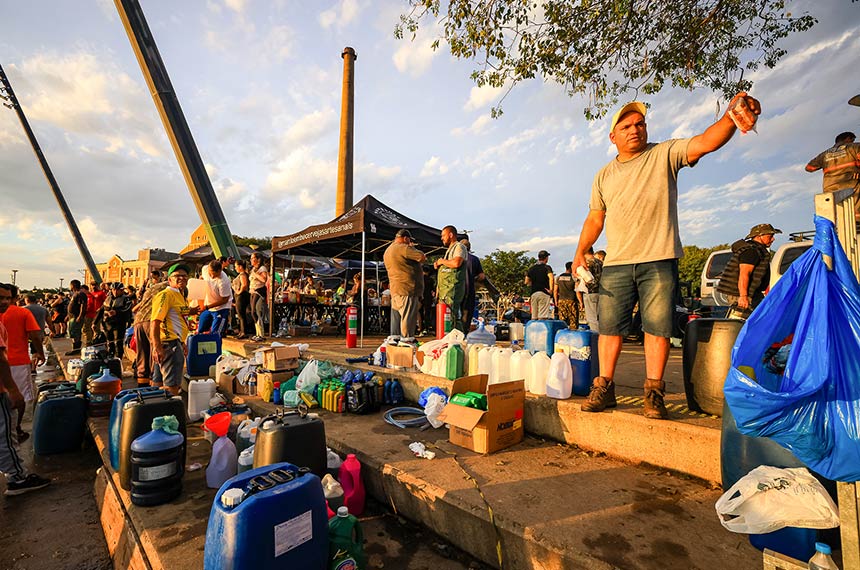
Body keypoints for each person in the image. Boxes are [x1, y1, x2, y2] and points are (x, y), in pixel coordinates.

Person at [573, 93, 761, 420]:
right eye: (627, 126)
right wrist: (580, 252)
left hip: (659, 259)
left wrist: (732, 117)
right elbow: (595, 218)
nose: (636, 129)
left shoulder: (664, 153)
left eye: (640, 124)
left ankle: (654, 392)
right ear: (613, 136)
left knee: (657, 329)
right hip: (616, 263)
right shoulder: (603, 175)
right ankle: (604, 387)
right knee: (609, 330)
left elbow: (705, 142)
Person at [0, 319, 51, 496]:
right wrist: (12, 389)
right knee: (5, 435)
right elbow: (0, 358)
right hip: (7, 379)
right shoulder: (19, 314)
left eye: (7, 298)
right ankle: (18, 478)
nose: (4, 302)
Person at [0, 284, 45, 442]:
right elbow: (34, 335)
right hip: (18, 362)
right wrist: (40, 352)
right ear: (16, 298)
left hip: (6, 362)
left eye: (6, 298)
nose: (5, 301)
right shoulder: (22, 312)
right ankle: (16, 428)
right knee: (19, 398)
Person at [150, 264, 198, 395]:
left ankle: (157, 409)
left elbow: (179, 318)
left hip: (174, 342)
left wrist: (182, 342)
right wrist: (156, 346)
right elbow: (155, 321)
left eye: (184, 276)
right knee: (172, 386)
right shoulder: (166, 295)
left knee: (159, 382)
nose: (181, 278)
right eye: (177, 276)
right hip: (168, 345)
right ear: (169, 280)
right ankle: (169, 412)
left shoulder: (180, 296)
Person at [716, 223, 781, 319]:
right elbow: (744, 274)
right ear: (759, 236)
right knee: (741, 323)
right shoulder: (751, 251)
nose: (773, 239)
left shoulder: (757, 250)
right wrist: (743, 296)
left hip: (751, 293)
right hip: (740, 294)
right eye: (770, 236)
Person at [383, 229, 427, 338]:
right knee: (408, 318)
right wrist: (412, 247)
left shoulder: (388, 250)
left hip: (395, 290)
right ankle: (407, 341)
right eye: (409, 240)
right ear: (406, 238)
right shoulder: (404, 248)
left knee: (396, 322)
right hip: (407, 289)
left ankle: (395, 342)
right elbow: (422, 257)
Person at [806, 132, 860, 217]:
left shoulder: (825, 154)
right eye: (852, 140)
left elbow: (809, 168)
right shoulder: (854, 147)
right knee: (854, 215)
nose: (853, 142)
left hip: (830, 188)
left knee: (835, 216)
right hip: (852, 185)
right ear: (848, 139)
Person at [130, 275, 169, 388]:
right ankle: (154, 388)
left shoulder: (151, 289)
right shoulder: (171, 289)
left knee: (142, 355)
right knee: (155, 355)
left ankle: (142, 387)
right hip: (151, 322)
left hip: (139, 321)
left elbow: (136, 308)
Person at [434, 225, 468, 333]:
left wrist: (442, 261)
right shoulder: (449, 250)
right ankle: (449, 342)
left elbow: (456, 263)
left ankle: (457, 343)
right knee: (446, 319)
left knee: (452, 318)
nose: (441, 238)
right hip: (445, 291)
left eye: (443, 235)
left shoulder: (459, 247)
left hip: (453, 289)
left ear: (451, 235)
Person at [199, 259, 233, 335]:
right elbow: (203, 278)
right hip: (208, 305)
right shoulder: (205, 269)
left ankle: (217, 343)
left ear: (220, 270)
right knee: (201, 329)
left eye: (215, 274)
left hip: (221, 308)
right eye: (210, 273)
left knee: (216, 333)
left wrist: (208, 306)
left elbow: (225, 300)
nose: (212, 276)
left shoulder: (224, 281)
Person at [460, 239, 486, 327]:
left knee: (456, 312)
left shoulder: (456, 258)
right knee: (467, 312)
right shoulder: (475, 259)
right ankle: (465, 332)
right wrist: (473, 279)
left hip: (457, 289)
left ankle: (456, 332)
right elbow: (482, 276)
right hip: (470, 289)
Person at [525, 250, 554, 320]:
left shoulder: (531, 268)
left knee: (534, 316)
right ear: (546, 258)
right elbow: (551, 278)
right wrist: (551, 290)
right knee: (542, 316)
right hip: (544, 292)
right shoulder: (547, 267)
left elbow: (526, 282)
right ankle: (541, 330)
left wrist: (534, 283)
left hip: (534, 293)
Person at [248, 252, 269, 342]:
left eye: (253, 258)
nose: (251, 260)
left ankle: (261, 334)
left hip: (259, 292)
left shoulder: (262, 268)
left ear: (258, 259)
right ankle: (257, 333)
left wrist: (255, 274)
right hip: (253, 291)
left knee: (255, 311)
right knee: (252, 312)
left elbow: (264, 279)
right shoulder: (254, 269)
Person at [65, 279, 88, 356]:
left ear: (73, 285)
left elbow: (83, 306)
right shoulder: (75, 294)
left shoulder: (81, 294)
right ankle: (75, 348)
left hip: (76, 317)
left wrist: (80, 316)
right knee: (72, 333)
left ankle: (76, 349)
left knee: (76, 333)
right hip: (72, 317)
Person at [232, 259, 253, 339]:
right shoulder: (243, 274)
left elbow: (244, 285)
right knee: (241, 314)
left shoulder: (242, 275)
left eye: (236, 266)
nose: (235, 268)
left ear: (240, 267)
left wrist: (239, 292)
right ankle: (242, 331)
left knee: (241, 314)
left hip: (241, 296)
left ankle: (243, 332)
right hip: (241, 296)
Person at [554, 262, 579, 326]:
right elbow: (577, 290)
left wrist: (556, 301)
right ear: (571, 268)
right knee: (573, 321)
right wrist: (581, 301)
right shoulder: (574, 278)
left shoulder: (558, 277)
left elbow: (555, 291)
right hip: (572, 301)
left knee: (562, 321)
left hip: (561, 301)